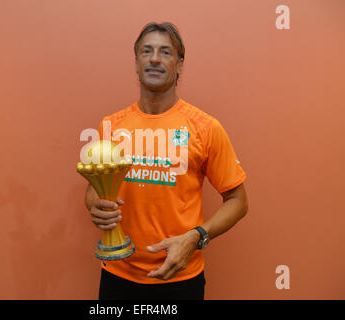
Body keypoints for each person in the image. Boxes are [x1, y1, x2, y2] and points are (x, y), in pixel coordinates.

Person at [84, 22, 249, 300]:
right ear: (136, 62)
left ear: (180, 64)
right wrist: (96, 207)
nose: (155, 58)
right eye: (146, 51)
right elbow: (94, 190)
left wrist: (196, 236)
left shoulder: (205, 127)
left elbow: (238, 201)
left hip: (181, 277)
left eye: (165, 52)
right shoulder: (110, 126)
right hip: (117, 274)